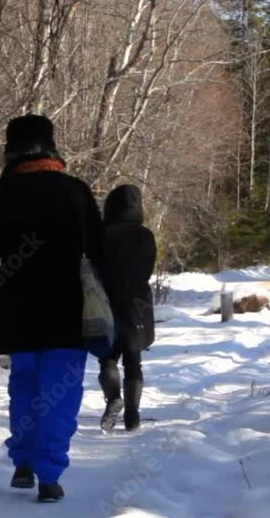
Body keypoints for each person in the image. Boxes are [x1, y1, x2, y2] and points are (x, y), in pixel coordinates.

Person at [0, 114, 102, 503]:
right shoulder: (75, 191)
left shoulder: (0, 194)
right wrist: (122, 314)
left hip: (18, 312)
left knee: (25, 387)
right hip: (67, 312)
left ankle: (23, 464)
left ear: (11, 150)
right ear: (51, 146)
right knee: (59, 392)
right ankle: (49, 475)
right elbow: (102, 256)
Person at [97, 184, 157, 432]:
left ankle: (113, 398)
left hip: (107, 300)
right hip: (138, 302)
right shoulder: (146, 236)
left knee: (107, 356)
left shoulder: (103, 235)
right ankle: (133, 415)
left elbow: (94, 268)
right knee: (134, 359)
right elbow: (148, 268)